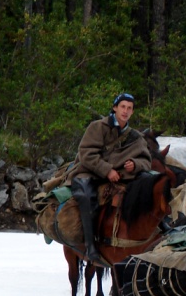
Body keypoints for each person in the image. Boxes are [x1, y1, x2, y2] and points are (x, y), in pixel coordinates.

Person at [65, 93, 152, 264]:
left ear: (132, 112)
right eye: (123, 107)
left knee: (148, 184)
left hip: (122, 175)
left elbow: (146, 160)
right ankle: (90, 245)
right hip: (89, 172)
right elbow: (86, 154)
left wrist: (135, 164)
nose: (125, 111)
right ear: (115, 108)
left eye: (129, 108)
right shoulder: (97, 127)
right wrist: (107, 171)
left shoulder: (135, 137)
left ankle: (157, 225)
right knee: (86, 196)